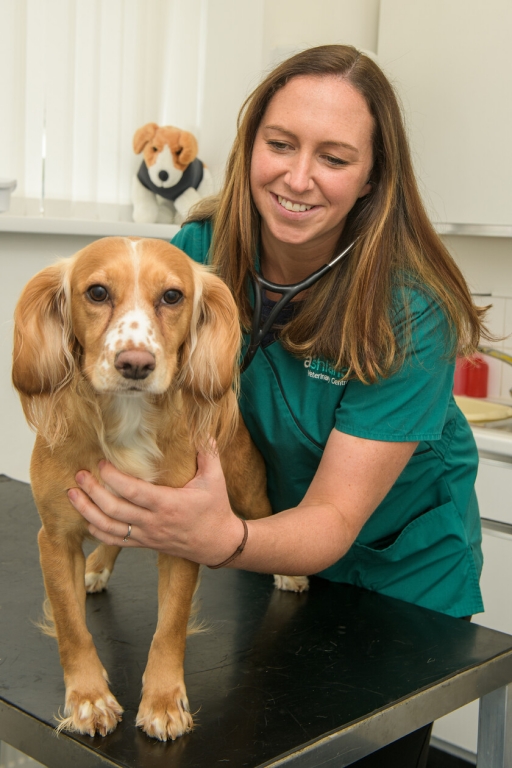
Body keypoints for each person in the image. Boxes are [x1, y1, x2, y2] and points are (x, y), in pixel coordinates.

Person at [68, 45, 491, 766]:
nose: (298, 178)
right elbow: (153, 400)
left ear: (371, 178)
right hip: (264, 557)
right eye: (280, 144)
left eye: (334, 157)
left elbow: (331, 518)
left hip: (393, 582)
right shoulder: (197, 253)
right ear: (249, 146)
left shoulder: (411, 312)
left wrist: (222, 540)